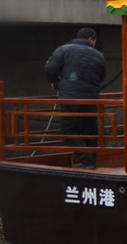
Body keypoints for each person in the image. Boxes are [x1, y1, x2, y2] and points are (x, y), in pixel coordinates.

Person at [45, 27, 108, 168]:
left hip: (70, 97)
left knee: (69, 130)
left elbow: (50, 69)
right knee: (89, 131)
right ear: (91, 39)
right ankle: (92, 161)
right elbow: (102, 77)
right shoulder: (99, 55)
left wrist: (55, 83)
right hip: (91, 98)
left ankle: (87, 159)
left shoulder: (63, 50)